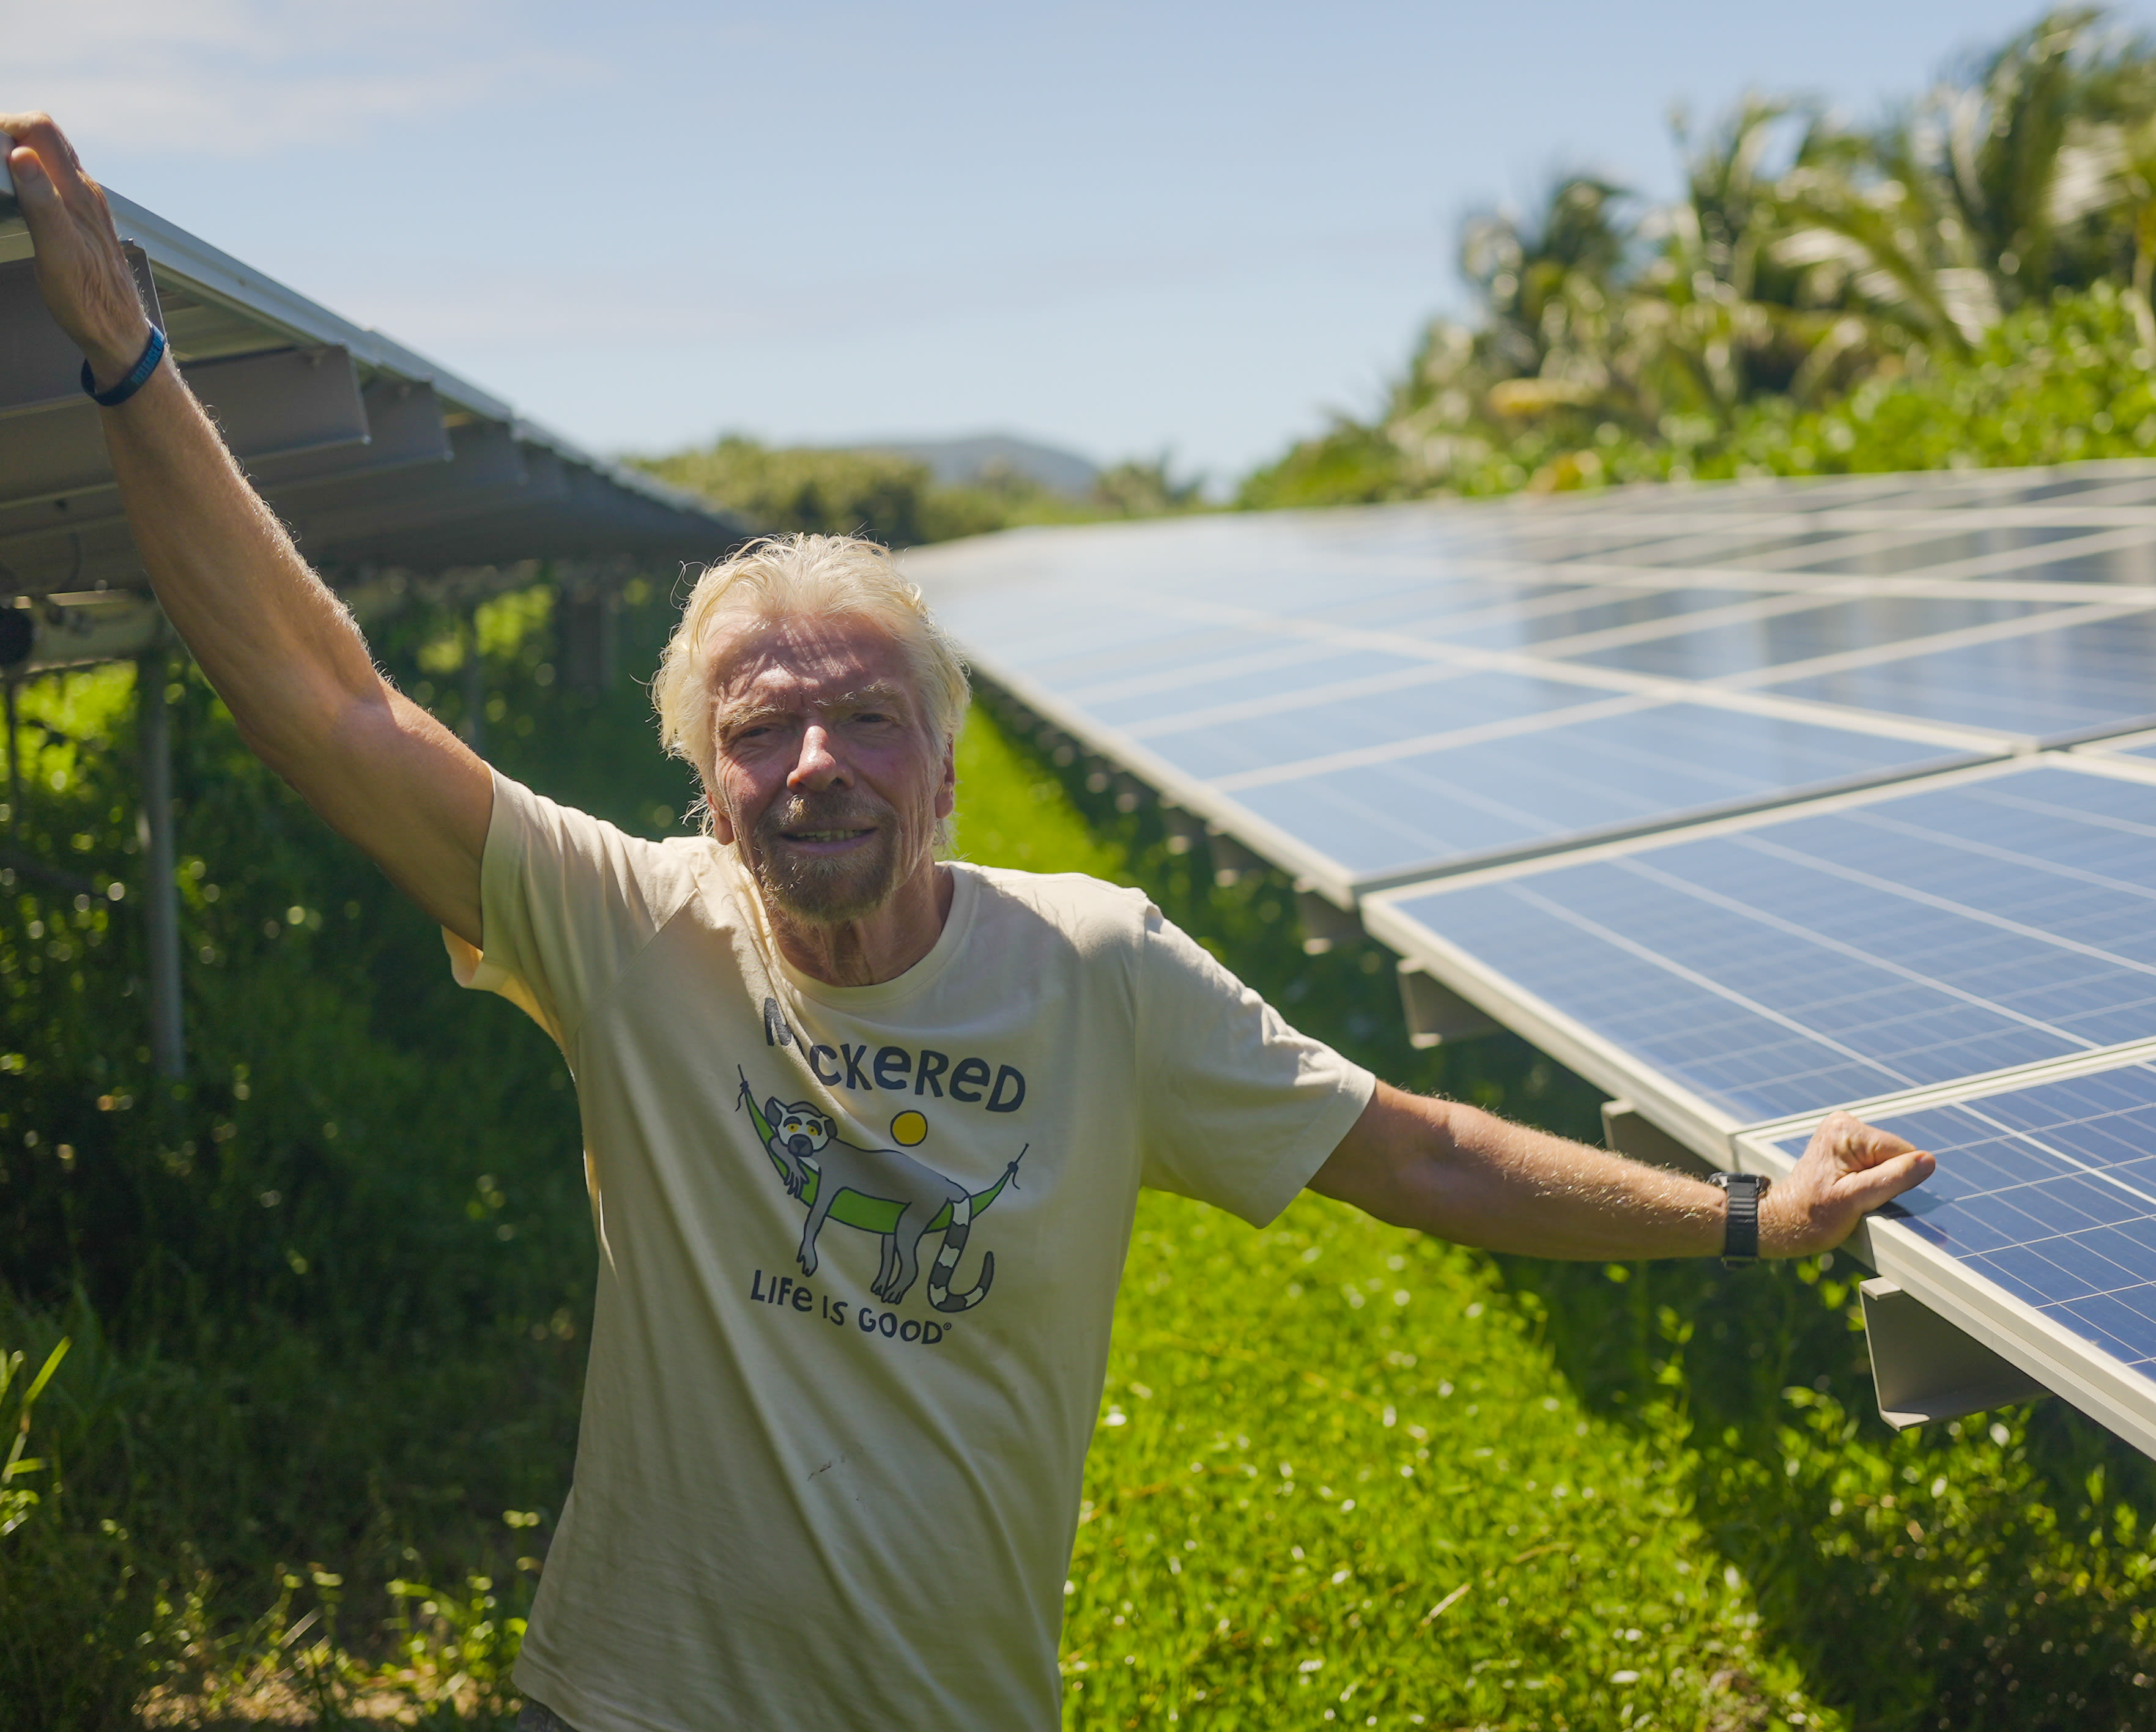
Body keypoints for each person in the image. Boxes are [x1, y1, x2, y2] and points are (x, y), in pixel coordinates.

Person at [3, 113, 1936, 1732]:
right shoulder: (626, 928)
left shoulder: (1096, 972)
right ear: (707, 781)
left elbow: (1417, 1151)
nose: (822, 762)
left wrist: (1747, 1218)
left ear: (943, 774)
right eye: (767, 731)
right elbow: (324, 699)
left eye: (871, 721)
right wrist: (126, 365)